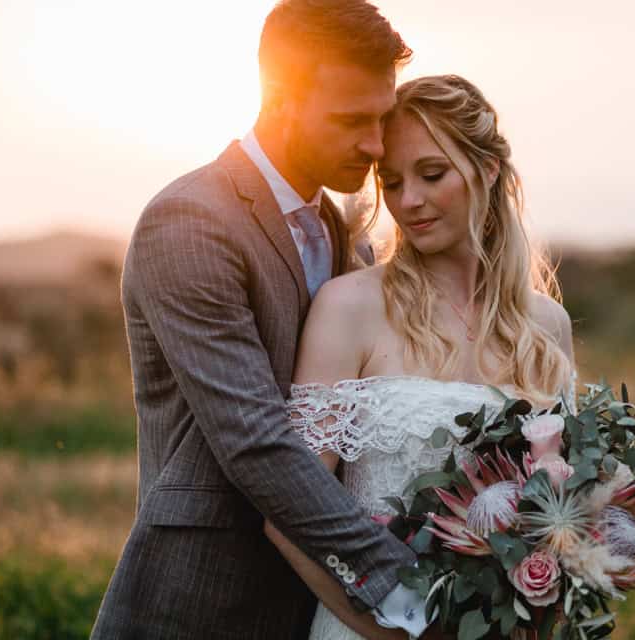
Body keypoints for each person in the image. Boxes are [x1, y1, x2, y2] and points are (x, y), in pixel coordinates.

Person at [90, 2, 434, 638]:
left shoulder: (344, 237)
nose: (376, 145)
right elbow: (254, 439)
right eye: (352, 120)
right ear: (279, 99)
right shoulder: (191, 223)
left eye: (382, 119)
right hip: (198, 601)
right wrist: (403, 580)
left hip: (312, 608)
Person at [264, 74, 576, 640]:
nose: (408, 201)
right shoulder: (348, 308)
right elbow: (290, 515)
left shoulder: (546, 326)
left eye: (432, 175)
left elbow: (567, 511)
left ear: (487, 169)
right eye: (393, 182)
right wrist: (397, 631)